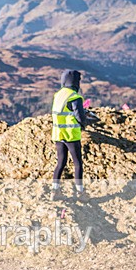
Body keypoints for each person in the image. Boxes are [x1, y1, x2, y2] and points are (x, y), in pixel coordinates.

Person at [51, 70, 97, 203]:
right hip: (71, 135)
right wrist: (86, 123)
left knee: (61, 162)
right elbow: (79, 116)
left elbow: (64, 111)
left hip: (58, 134)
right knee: (77, 163)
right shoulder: (74, 96)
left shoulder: (58, 95)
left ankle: (54, 191)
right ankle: (81, 193)